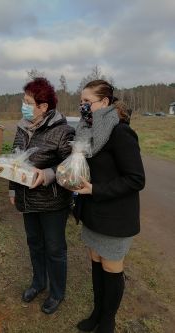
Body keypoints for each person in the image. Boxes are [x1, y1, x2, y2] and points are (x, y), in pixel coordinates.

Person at [73, 80, 145, 332]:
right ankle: (97, 312)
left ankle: (107, 321)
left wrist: (96, 189)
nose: (82, 107)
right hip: (93, 212)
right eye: (80, 102)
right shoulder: (86, 130)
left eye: (87, 102)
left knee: (111, 268)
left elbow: (136, 179)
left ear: (104, 103)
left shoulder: (120, 132)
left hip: (115, 217)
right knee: (95, 263)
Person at [8, 77, 75, 314]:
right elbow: (14, 159)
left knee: (55, 249)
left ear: (43, 106)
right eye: (23, 101)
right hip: (27, 199)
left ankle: (57, 293)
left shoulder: (63, 131)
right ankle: (38, 283)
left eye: (28, 102)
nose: (23, 106)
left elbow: (73, 166)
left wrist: (47, 174)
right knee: (35, 244)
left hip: (53, 202)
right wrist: (12, 188)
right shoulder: (22, 127)